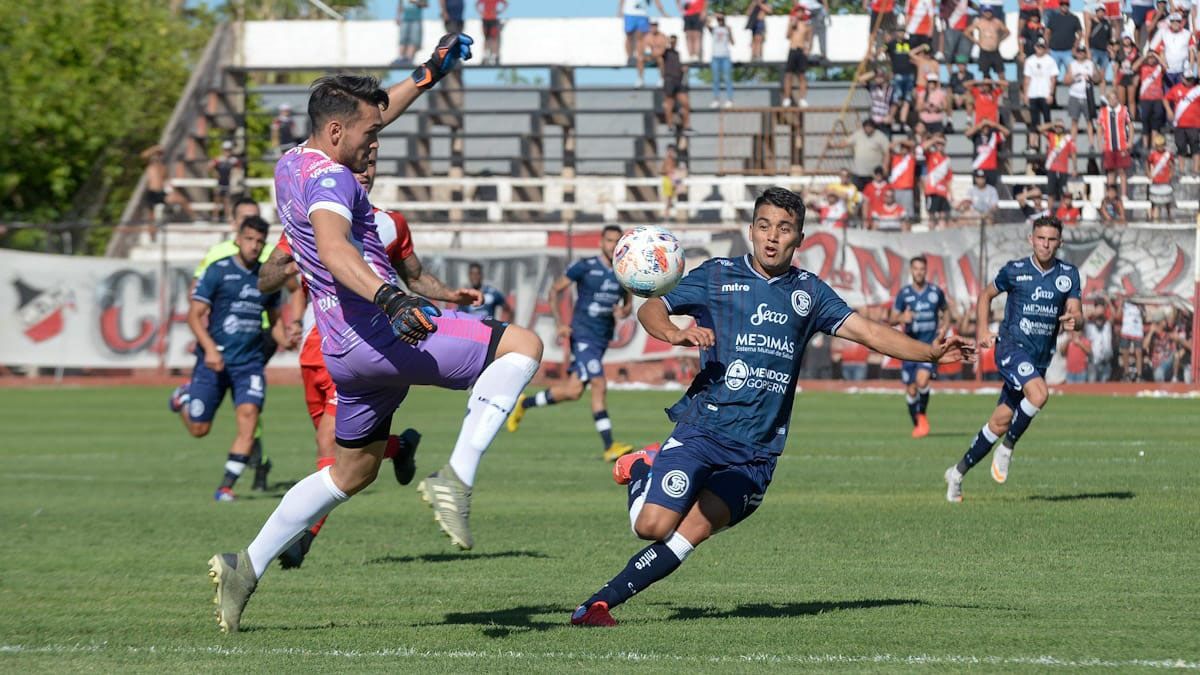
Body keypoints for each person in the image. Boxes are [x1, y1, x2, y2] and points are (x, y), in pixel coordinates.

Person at [206, 39, 542, 634]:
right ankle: (455, 478)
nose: (376, 140)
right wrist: (389, 297)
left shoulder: (292, 163)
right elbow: (334, 249)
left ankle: (246, 565)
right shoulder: (334, 180)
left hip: (344, 356)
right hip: (383, 334)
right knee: (523, 345)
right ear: (335, 132)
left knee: (351, 473)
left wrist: (429, 74)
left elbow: (375, 110)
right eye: (368, 133)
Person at [569, 187, 972, 626]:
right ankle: (644, 468)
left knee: (689, 537)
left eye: (784, 229)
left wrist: (931, 354)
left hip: (757, 453)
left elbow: (870, 333)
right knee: (651, 528)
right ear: (751, 231)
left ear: (799, 238)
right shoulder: (718, 275)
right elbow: (653, 307)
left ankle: (596, 606)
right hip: (703, 430)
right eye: (764, 227)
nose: (772, 237)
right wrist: (674, 333)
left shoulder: (809, 293)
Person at [255, 149, 424, 569]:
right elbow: (266, 279)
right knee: (348, 451)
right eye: (359, 166)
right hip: (315, 350)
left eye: (372, 167)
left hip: (357, 345)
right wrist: (299, 256)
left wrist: (451, 297)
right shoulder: (314, 216)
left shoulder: (387, 223)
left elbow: (416, 276)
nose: (366, 172)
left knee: (327, 446)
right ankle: (399, 446)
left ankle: (301, 539)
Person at [943, 215, 1083, 502]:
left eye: (1051, 239)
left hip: (1039, 359)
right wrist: (982, 330)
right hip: (1010, 348)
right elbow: (985, 295)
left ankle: (956, 473)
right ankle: (1007, 449)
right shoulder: (1015, 270)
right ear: (1031, 239)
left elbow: (1076, 311)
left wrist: (1075, 321)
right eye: (1040, 238)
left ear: (1060, 242)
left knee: (999, 422)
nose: (1045, 244)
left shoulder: (1068, 274)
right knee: (1040, 394)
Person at [170, 216, 284, 502]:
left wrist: (288, 337)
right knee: (199, 429)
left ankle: (226, 487)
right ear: (238, 238)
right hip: (214, 361)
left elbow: (274, 322)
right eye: (249, 239)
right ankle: (182, 399)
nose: (254, 246)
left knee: (248, 418)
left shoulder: (266, 279)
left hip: (249, 364)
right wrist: (209, 348)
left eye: (260, 241)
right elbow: (194, 317)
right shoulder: (217, 271)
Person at [507, 224, 635, 461]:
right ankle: (609, 446)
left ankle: (525, 403)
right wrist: (560, 323)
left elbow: (628, 302)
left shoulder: (623, 270)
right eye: (609, 240)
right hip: (583, 335)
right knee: (599, 384)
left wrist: (624, 310)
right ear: (601, 242)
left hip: (601, 338)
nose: (613, 245)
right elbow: (555, 290)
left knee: (573, 391)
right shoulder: (585, 267)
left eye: (617, 241)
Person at [890, 256, 949, 438]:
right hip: (908, 348)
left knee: (922, 381)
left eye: (922, 269)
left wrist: (943, 330)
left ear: (926, 270)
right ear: (911, 271)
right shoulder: (904, 293)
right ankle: (918, 423)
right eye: (916, 269)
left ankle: (922, 415)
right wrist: (902, 318)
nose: (919, 272)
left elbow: (946, 312)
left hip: (928, 347)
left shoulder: (935, 292)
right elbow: (892, 318)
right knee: (911, 389)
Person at [623, 0, 669, 89]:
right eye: (652, 25)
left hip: (656, 57)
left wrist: (664, 13)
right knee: (640, 58)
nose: (653, 27)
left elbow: (662, 50)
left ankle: (661, 79)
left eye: (655, 25)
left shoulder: (661, 36)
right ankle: (640, 79)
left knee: (660, 59)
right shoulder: (647, 36)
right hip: (648, 57)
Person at [140, 145, 194, 222]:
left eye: (159, 155)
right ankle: (152, 233)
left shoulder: (163, 167)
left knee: (181, 199)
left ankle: (196, 219)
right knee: (150, 218)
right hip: (152, 193)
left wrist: (173, 191)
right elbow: (143, 155)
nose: (157, 156)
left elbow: (168, 181)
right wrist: (155, 149)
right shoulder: (150, 165)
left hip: (161, 193)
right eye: (156, 155)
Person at [832, 119, 890, 190]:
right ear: (863, 127)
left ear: (874, 127)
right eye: (866, 127)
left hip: (872, 174)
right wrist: (834, 145)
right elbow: (846, 143)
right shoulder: (858, 134)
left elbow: (887, 152)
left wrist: (885, 166)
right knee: (857, 194)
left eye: (870, 126)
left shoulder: (881, 137)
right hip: (858, 173)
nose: (868, 128)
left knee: (871, 194)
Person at [1096, 89, 1134, 197]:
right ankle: (1110, 195)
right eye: (1110, 98)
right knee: (1110, 172)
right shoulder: (1103, 111)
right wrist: (1100, 143)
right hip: (1109, 146)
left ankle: (1123, 195)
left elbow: (1131, 126)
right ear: (1108, 100)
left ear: (1117, 98)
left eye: (1114, 98)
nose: (1112, 100)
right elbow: (1099, 128)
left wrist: (1130, 141)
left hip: (1121, 145)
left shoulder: (1124, 110)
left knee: (1122, 171)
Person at [1024, 39, 1059, 151]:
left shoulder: (1050, 60)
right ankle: (1033, 145)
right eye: (1038, 46)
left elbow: (1053, 79)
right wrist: (1026, 94)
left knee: (1047, 120)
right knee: (1034, 122)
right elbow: (1027, 79)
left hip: (1045, 94)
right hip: (1033, 94)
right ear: (1035, 47)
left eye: (1042, 47)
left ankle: (1050, 143)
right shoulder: (1030, 60)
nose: (1040, 49)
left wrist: (1051, 94)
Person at [1164, 71, 1200, 174]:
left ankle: (1196, 169)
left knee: (1195, 147)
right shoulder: (1176, 89)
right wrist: (1169, 110)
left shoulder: (1197, 89)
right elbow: (1166, 99)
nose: (1189, 82)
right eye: (1187, 79)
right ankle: (1181, 170)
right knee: (1180, 147)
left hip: (1195, 124)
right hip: (1179, 124)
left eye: (1191, 79)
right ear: (1183, 78)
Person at [1066, 46, 1100, 151]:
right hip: (1075, 95)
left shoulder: (1090, 64)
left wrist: (1091, 77)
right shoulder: (1072, 64)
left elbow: (1098, 78)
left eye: (1082, 52)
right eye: (1079, 52)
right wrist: (1075, 77)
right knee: (1074, 120)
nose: (1080, 54)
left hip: (1087, 95)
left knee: (1089, 121)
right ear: (1076, 53)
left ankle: (1091, 144)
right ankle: (1073, 144)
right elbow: (1066, 80)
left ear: (1085, 53)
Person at [1133, 50, 1168, 149]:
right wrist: (1145, 56)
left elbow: (1166, 67)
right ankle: (1145, 145)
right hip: (1145, 99)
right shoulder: (1143, 67)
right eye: (1150, 58)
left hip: (1157, 99)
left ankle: (1153, 146)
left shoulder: (1159, 68)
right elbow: (1134, 67)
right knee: (1145, 122)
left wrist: (1157, 56)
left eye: (1153, 58)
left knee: (1155, 123)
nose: (1151, 59)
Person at [1040, 119, 1077, 212]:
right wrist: (1052, 123)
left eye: (1060, 127)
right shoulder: (1051, 136)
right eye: (1056, 127)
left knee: (1062, 194)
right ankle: (1049, 213)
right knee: (1050, 193)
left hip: (1063, 170)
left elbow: (1073, 153)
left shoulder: (1068, 139)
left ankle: (1061, 213)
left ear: (1063, 128)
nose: (1058, 128)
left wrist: (1075, 168)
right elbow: (1040, 129)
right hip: (1052, 169)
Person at [659, 35, 692, 132]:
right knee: (669, 104)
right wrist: (667, 43)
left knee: (686, 103)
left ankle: (687, 126)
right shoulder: (666, 52)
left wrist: (683, 69)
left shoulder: (678, 53)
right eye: (671, 41)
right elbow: (659, 54)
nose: (673, 43)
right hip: (669, 80)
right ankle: (670, 126)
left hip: (679, 80)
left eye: (674, 41)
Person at [885, 31, 918, 129]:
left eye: (903, 31)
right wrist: (889, 70)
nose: (901, 33)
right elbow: (884, 53)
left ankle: (903, 122)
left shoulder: (910, 43)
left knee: (907, 99)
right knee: (896, 98)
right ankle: (891, 118)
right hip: (897, 74)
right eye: (899, 31)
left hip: (909, 74)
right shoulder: (892, 44)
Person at [1149, 13, 1191, 88]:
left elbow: (1193, 51)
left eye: (1177, 21)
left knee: (1181, 96)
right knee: (1168, 95)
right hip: (1168, 71)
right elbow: (1152, 50)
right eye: (1172, 21)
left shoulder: (1188, 34)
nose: (1175, 23)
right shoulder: (1163, 32)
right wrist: (1162, 62)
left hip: (1183, 71)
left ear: (1181, 22)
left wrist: (1190, 67)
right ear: (1170, 22)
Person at [968, 7, 1010, 81]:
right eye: (986, 12)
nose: (988, 13)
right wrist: (976, 41)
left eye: (989, 12)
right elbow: (967, 32)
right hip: (984, 51)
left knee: (1001, 73)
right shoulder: (979, 22)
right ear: (983, 12)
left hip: (995, 51)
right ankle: (987, 92)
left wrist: (1000, 40)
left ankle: (1005, 91)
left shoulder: (997, 22)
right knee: (986, 75)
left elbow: (1007, 32)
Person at [783, 7, 813, 107]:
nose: (799, 13)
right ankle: (787, 98)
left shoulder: (806, 25)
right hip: (792, 49)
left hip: (801, 50)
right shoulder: (792, 23)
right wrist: (791, 25)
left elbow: (809, 39)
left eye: (801, 11)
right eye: (797, 12)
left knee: (802, 75)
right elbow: (787, 36)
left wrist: (808, 49)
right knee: (788, 75)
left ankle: (802, 99)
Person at [921, 134, 953, 229]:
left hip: (943, 192)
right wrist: (934, 139)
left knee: (943, 218)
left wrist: (951, 194)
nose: (940, 145)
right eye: (938, 143)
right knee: (932, 217)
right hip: (932, 191)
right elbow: (923, 147)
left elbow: (949, 179)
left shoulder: (947, 159)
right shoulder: (931, 155)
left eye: (942, 143)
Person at [966, 118, 1009, 186]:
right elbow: (967, 134)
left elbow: (1007, 132)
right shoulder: (976, 135)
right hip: (978, 168)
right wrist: (980, 124)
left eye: (987, 126)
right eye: (984, 126)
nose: (985, 128)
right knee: (977, 194)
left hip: (991, 169)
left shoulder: (994, 136)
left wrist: (995, 125)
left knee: (991, 193)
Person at [1045, 2, 1082, 74]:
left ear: (1069, 6)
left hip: (1068, 52)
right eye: (1062, 5)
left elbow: (1080, 34)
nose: (1064, 6)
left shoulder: (1074, 18)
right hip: (1054, 51)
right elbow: (1047, 33)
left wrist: (1075, 47)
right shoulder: (1053, 18)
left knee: (1072, 74)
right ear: (1059, 6)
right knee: (1052, 75)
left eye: (1066, 5)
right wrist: (1047, 47)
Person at [210, 140, 241, 222]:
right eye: (226, 149)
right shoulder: (219, 159)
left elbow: (238, 170)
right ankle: (215, 218)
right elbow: (210, 167)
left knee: (227, 201)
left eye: (229, 149)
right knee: (217, 200)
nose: (227, 151)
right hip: (220, 182)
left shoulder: (234, 160)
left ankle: (228, 218)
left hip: (229, 183)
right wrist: (214, 172)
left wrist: (234, 176)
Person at [709, 13, 735, 107]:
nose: (720, 21)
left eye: (721, 19)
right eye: (718, 19)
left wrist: (730, 32)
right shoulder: (714, 29)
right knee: (716, 79)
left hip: (725, 56)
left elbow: (733, 42)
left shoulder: (727, 29)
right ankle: (716, 99)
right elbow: (706, 22)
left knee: (727, 78)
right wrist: (714, 15)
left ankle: (729, 99)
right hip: (715, 56)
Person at [888, 137, 918, 220]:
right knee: (896, 212)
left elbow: (914, 145)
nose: (904, 150)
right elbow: (889, 147)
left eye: (906, 149)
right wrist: (898, 141)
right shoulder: (896, 157)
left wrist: (902, 140)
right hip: (895, 189)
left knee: (907, 214)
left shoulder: (911, 158)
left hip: (907, 189)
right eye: (902, 148)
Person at [1147, 133, 1174, 220]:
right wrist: (1148, 173)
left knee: (1167, 201)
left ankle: (1169, 215)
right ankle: (1152, 215)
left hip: (1165, 180)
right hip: (1156, 179)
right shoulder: (1153, 154)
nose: (1160, 147)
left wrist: (1171, 173)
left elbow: (1172, 165)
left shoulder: (1168, 155)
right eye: (1158, 146)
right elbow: (1147, 163)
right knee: (1153, 201)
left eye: (1161, 145)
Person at [1084, 301, 1114, 381]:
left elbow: (1114, 316)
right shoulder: (1089, 326)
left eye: (1101, 317)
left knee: (1105, 388)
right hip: (1093, 362)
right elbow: (1082, 320)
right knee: (1092, 387)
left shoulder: (1107, 325)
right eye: (1098, 318)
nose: (1099, 320)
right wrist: (1095, 312)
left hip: (1106, 362)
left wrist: (1108, 303)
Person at [1084, 7, 1114, 83]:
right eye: (1099, 11)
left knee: (1103, 75)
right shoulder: (1091, 22)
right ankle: (1089, 92)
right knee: (1091, 73)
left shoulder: (1107, 23)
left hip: (1104, 51)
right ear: (1096, 12)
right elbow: (1086, 37)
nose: (1101, 13)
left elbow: (1109, 39)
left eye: (1102, 12)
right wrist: (1088, 51)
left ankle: (1102, 94)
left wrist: (1110, 50)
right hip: (1094, 50)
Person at [1118, 297, 1144, 380]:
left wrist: (1141, 308)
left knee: (1138, 352)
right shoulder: (1125, 301)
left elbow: (1144, 315)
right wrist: (1120, 304)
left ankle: (1139, 375)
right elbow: (1118, 315)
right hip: (1127, 329)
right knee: (1125, 351)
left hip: (1137, 329)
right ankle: (1126, 373)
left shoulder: (1141, 300)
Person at [940, 0, 973, 66]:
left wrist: (980, 9)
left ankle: (961, 75)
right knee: (949, 54)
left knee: (963, 55)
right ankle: (950, 74)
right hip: (951, 27)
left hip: (964, 28)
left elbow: (971, 4)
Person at [395, 0, 427, 67]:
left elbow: (425, 4)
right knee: (403, 38)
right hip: (405, 18)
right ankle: (400, 58)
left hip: (416, 19)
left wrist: (415, 2)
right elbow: (400, 4)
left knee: (414, 39)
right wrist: (398, 16)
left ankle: (409, 58)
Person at [477, 0, 508, 65]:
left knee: (493, 38)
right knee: (487, 39)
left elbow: (505, 4)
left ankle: (494, 57)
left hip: (492, 19)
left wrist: (499, 11)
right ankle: (485, 57)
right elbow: (477, 4)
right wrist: (481, 12)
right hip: (486, 19)